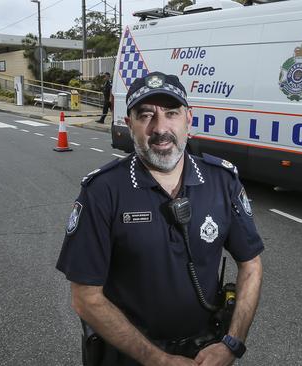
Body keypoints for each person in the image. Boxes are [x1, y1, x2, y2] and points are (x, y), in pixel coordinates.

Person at [56, 71, 264, 366]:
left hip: (205, 351)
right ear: (129, 125)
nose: (160, 128)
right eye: (146, 115)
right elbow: (85, 297)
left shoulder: (222, 181)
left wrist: (232, 344)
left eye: (171, 113)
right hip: (129, 355)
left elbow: (251, 265)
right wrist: (158, 360)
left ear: (189, 119)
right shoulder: (102, 191)